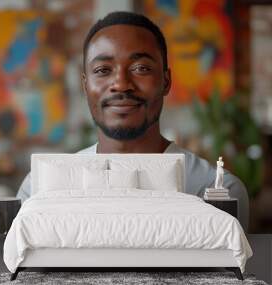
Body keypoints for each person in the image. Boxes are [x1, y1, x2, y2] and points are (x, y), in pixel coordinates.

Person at [16, 12, 249, 231]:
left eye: (141, 68)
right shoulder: (40, 188)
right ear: (85, 85)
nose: (121, 83)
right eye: (103, 70)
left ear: (166, 81)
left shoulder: (217, 192)